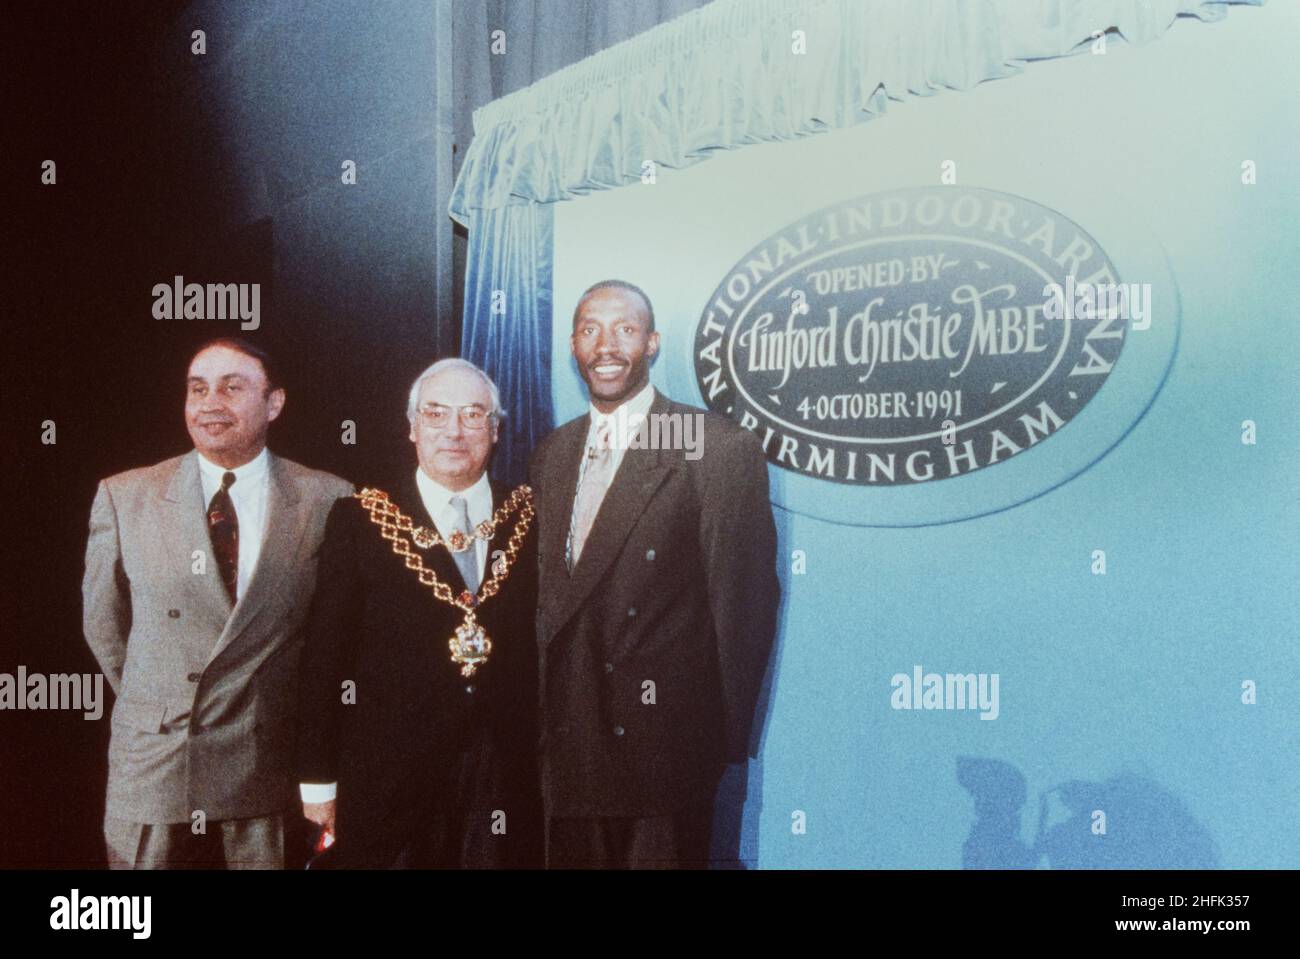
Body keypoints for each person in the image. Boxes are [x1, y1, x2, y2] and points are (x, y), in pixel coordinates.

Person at [528, 279, 780, 868]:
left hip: (663, 747)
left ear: (653, 343)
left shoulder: (704, 442)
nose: (606, 345)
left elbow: (741, 601)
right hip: (568, 740)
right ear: (573, 346)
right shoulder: (555, 451)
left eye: (625, 329)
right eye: (591, 329)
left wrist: (720, 742)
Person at [82, 337, 352, 869]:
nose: (211, 403)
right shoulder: (125, 495)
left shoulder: (328, 499)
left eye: (233, 388)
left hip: (263, 763)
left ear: (273, 404)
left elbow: (337, 639)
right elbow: (103, 627)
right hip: (156, 763)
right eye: (198, 389)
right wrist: (159, 704)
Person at [297, 358, 541, 868]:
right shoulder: (363, 518)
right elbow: (325, 656)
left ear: (495, 430)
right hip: (390, 778)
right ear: (412, 428)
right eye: (436, 414)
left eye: (473, 415)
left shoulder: (528, 516)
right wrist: (317, 778)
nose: (454, 431)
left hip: (502, 778)